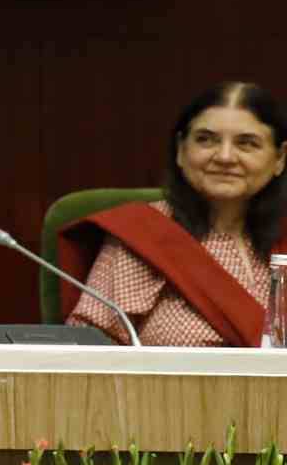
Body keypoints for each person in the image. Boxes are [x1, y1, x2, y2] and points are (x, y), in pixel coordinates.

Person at [65, 81, 286, 346]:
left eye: (247, 143)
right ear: (181, 150)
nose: (225, 157)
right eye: (206, 140)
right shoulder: (142, 233)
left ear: (280, 158)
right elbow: (88, 348)